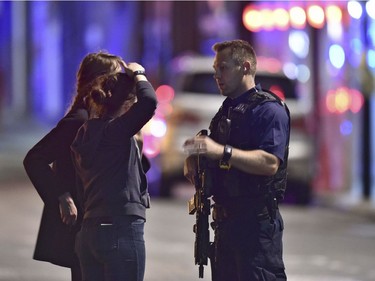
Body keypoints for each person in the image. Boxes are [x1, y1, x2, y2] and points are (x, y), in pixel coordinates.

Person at [183, 39, 290, 281]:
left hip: (255, 226)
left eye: (223, 68)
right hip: (225, 225)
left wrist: (222, 151)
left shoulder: (269, 110)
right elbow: (213, 154)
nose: (217, 75)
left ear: (244, 67)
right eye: (215, 69)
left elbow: (270, 163)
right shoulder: (227, 110)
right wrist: (196, 158)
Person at [23, 51, 125, 281]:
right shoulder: (79, 121)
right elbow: (34, 158)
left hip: (102, 225)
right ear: (99, 82)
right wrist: (62, 196)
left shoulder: (106, 122)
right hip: (84, 226)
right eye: (116, 78)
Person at [70, 63, 157, 281]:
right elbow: (149, 103)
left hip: (90, 232)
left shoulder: (86, 132)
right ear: (128, 104)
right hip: (119, 230)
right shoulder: (114, 132)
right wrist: (139, 72)